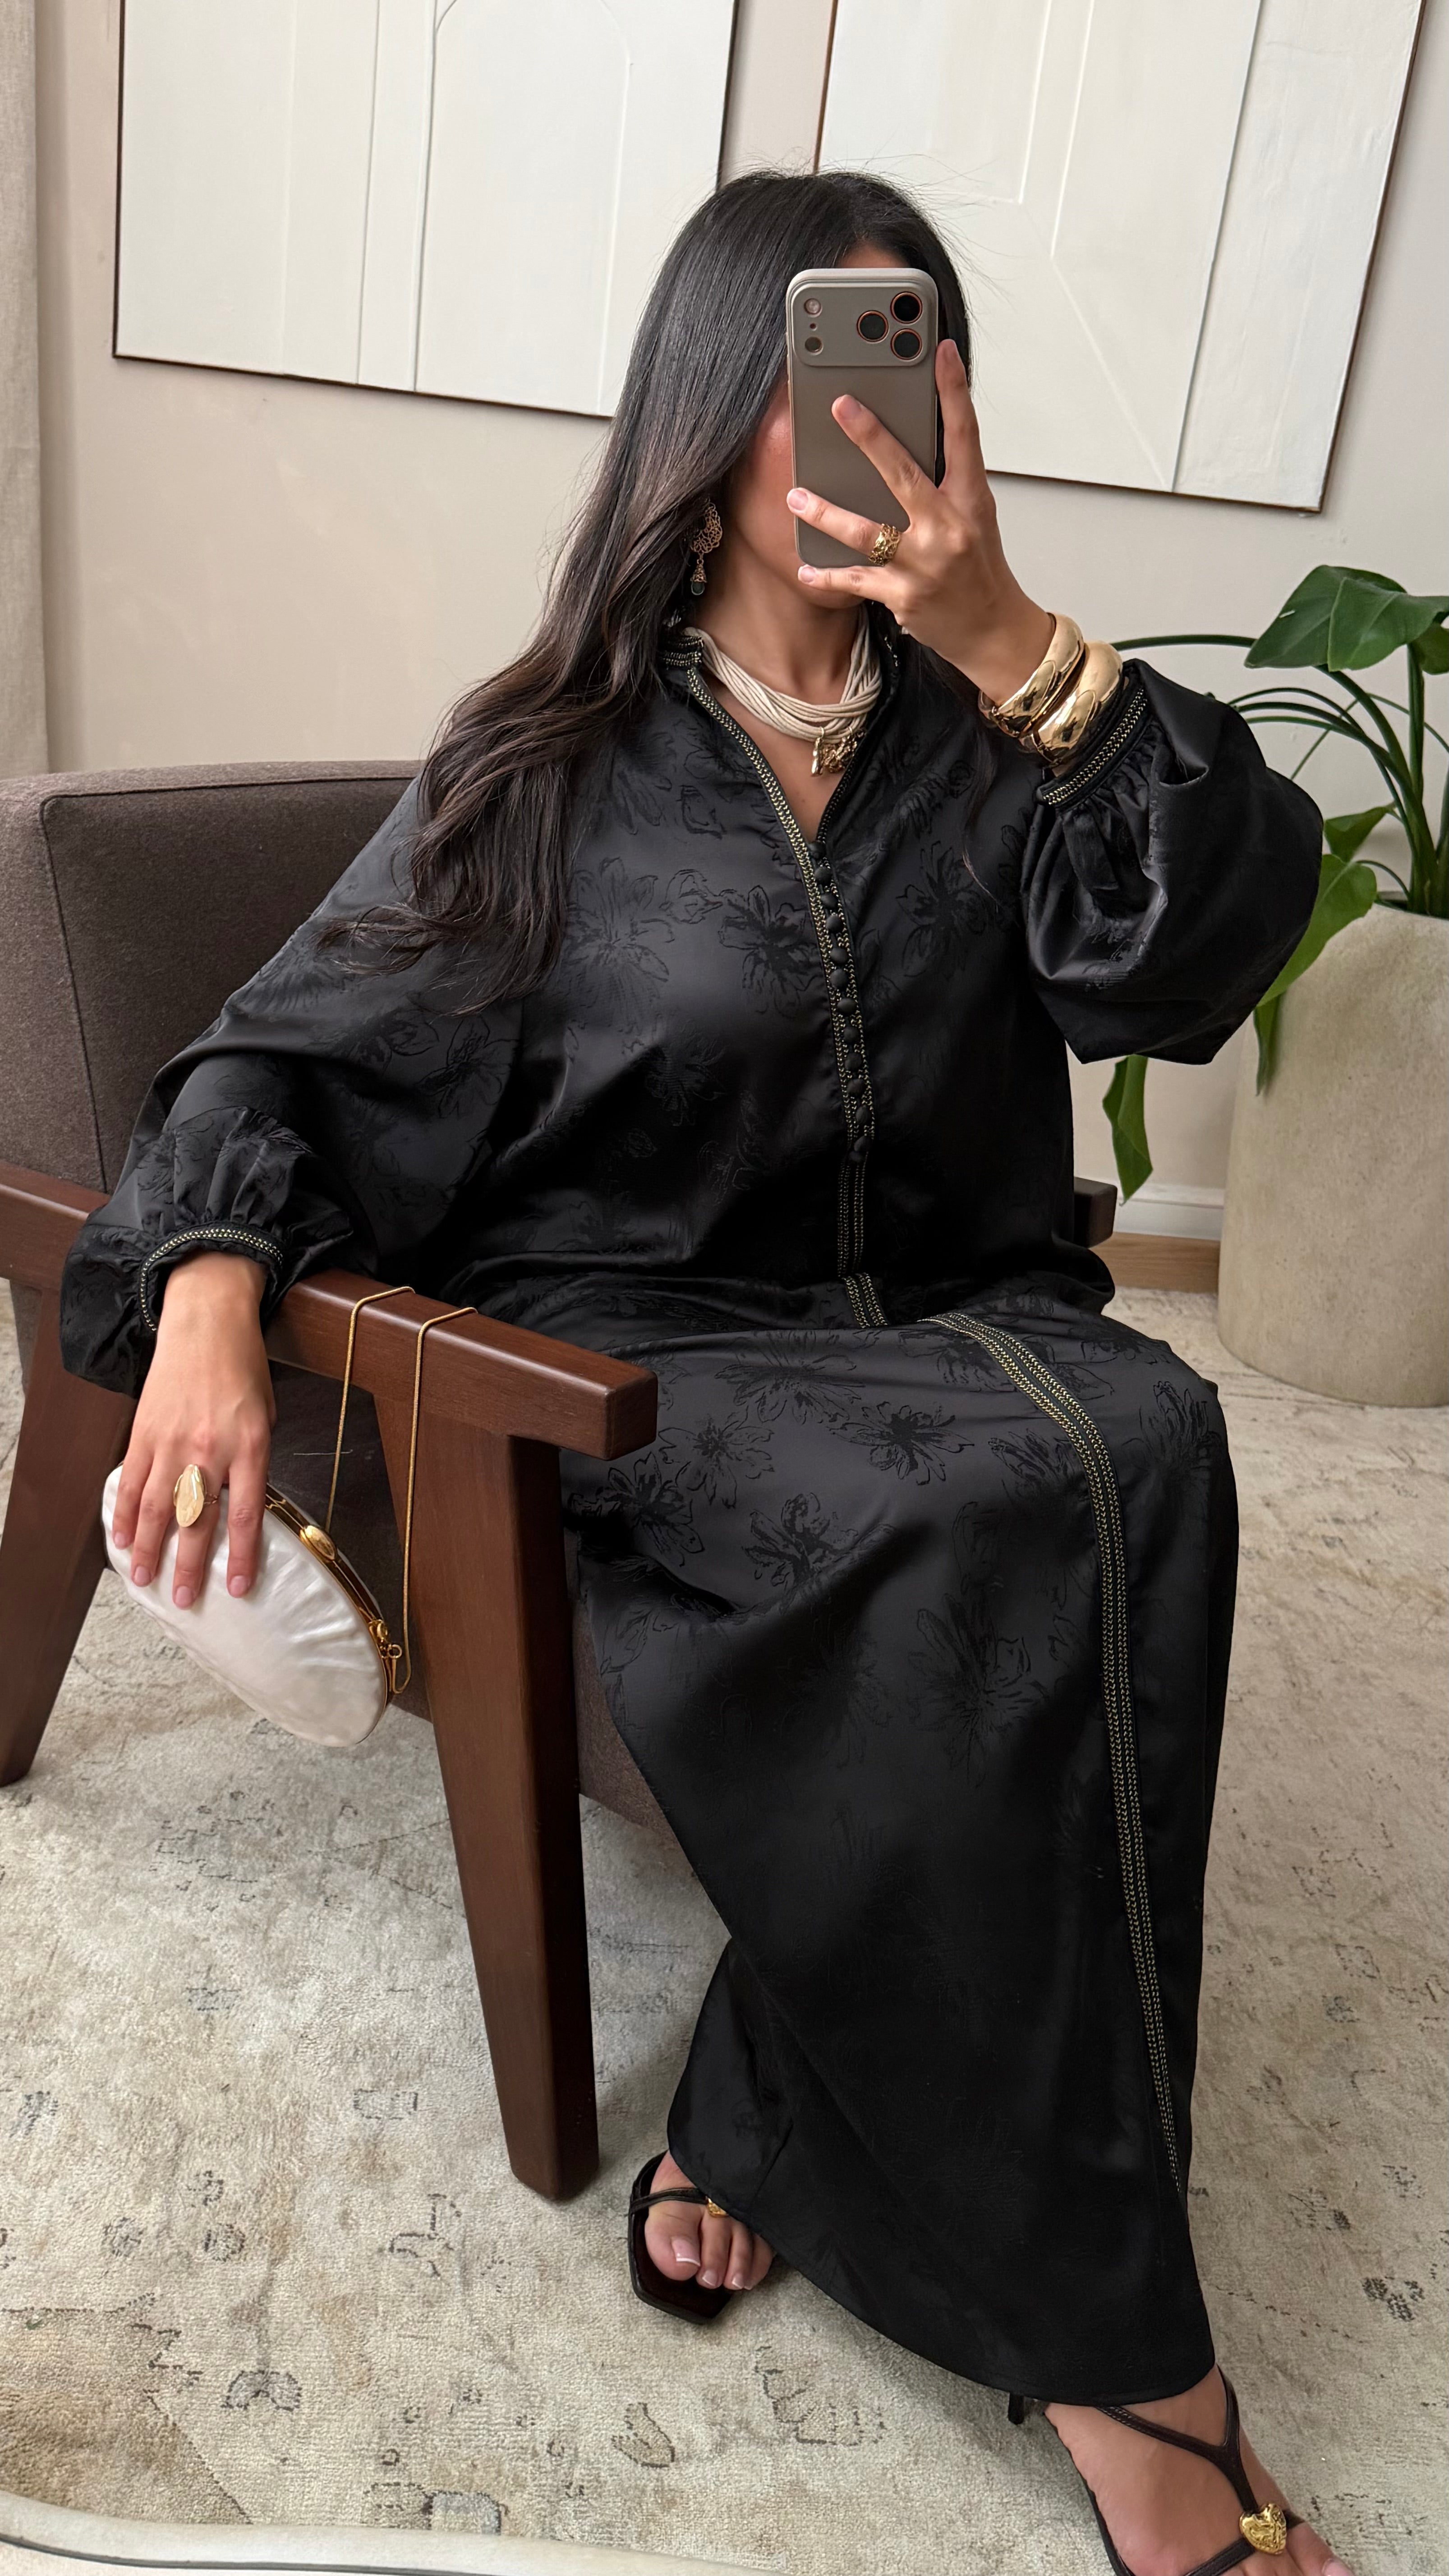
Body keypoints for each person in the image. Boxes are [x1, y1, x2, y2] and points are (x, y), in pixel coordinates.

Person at [59, 172, 1348, 2576]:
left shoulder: (1000, 736)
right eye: (829, 366)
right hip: (656, 1367)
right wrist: (213, 1289)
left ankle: (763, 2096)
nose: (879, 416)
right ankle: (1138, 2377)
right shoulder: (547, 764)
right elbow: (281, 1059)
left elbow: (1198, 958)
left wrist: (1011, 639)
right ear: (710, 406)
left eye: (920, 363)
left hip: (958, 1324)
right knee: (996, 1503)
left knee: (1147, 1429)